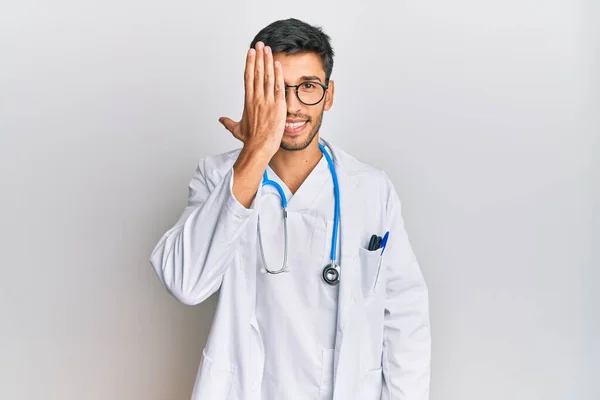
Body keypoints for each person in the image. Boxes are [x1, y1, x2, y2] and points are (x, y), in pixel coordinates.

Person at [150, 18, 431, 400]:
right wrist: (256, 150)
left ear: (328, 95)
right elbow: (185, 282)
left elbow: (405, 318)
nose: (293, 106)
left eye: (308, 88)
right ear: (254, 95)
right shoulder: (218, 176)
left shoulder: (371, 189)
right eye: (277, 90)